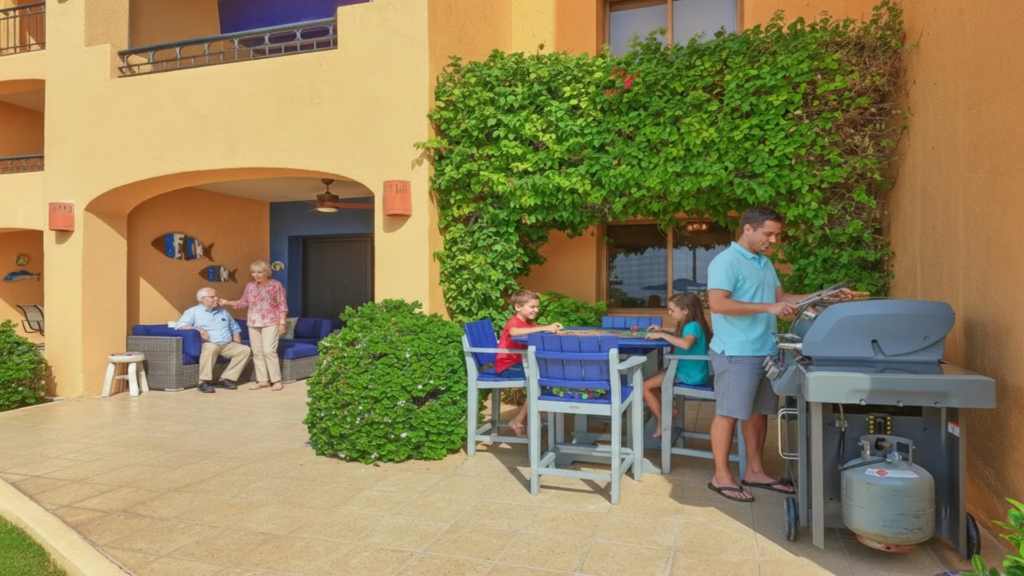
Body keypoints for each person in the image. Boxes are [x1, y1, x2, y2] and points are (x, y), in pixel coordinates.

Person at [705, 207, 851, 503]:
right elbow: (718, 304)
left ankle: (755, 471)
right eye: (768, 234)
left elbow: (782, 299)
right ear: (748, 229)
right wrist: (767, 308)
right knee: (729, 414)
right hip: (736, 351)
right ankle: (720, 476)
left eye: (776, 235)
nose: (773, 240)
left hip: (765, 350)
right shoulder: (726, 261)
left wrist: (825, 296)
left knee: (759, 414)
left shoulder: (764, 262)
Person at [640, 292, 711, 438]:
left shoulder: (692, 326)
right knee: (651, 386)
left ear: (685, 311)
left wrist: (662, 335)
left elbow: (686, 343)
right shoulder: (693, 325)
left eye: (672, 310)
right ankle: (669, 411)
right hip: (690, 372)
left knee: (643, 386)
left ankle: (663, 419)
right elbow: (682, 334)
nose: (669, 313)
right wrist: (663, 330)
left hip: (687, 374)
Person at [496, 290, 563, 437]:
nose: (536, 310)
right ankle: (519, 420)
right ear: (518, 307)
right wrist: (545, 327)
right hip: (508, 367)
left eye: (537, 307)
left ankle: (532, 413)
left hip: (521, 365)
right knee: (540, 378)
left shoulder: (529, 325)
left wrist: (549, 327)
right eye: (532, 307)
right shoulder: (514, 322)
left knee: (547, 374)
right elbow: (513, 332)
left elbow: (537, 332)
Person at [221, 260, 289, 391]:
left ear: (267, 272)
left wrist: (282, 323)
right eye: (253, 272)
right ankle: (262, 380)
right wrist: (227, 302)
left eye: (259, 272)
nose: (256, 275)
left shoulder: (276, 285)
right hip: (253, 322)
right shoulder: (250, 286)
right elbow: (243, 303)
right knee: (257, 352)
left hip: (271, 322)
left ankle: (277, 381)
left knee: (269, 351)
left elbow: (282, 305)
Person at [176, 287, 252, 394]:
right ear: (203, 299)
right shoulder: (193, 312)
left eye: (217, 296)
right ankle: (203, 382)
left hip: (226, 344)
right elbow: (180, 326)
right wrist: (198, 329)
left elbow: (233, 325)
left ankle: (225, 378)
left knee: (245, 350)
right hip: (209, 343)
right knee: (211, 348)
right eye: (212, 297)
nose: (216, 299)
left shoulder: (223, 311)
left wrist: (236, 334)